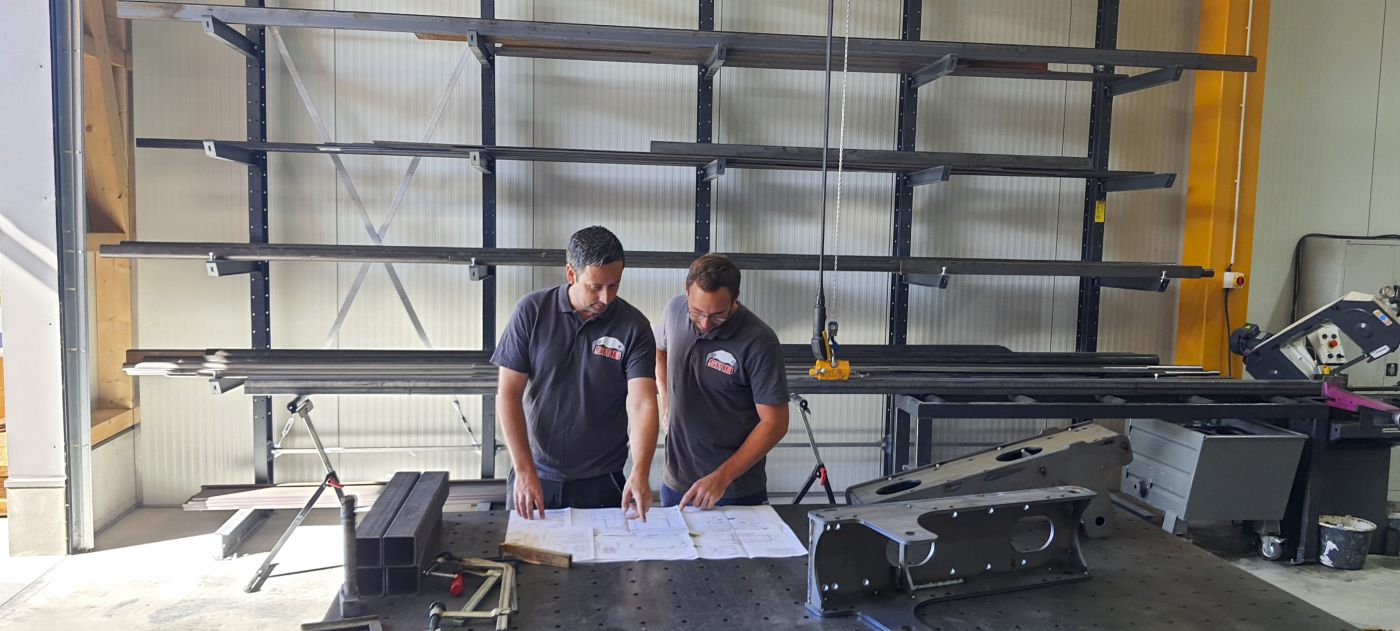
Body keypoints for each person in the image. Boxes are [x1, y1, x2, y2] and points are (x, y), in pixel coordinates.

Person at [491, 226, 659, 520]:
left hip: (602, 481)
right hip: (535, 474)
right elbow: (508, 394)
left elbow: (642, 403)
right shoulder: (532, 312)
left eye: (614, 285)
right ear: (571, 274)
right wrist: (524, 470)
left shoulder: (634, 327)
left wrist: (641, 471)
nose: (606, 297)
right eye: (595, 286)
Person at [655, 253, 789, 509]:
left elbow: (775, 423)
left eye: (717, 315)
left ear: (736, 297)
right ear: (686, 290)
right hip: (675, 483)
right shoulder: (673, 311)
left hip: (734, 491)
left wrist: (722, 477)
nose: (706, 323)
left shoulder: (759, 342)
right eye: (697, 312)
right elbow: (659, 349)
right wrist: (666, 402)